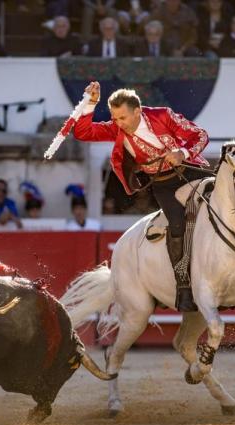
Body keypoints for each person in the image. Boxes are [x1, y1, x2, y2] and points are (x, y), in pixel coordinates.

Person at [73, 81, 209, 312]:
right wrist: (90, 104)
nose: (118, 124)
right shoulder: (116, 129)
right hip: (163, 183)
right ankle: (183, 285)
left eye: (122, 118)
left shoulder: (163, 116)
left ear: (138, 111)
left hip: (191, 169)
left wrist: (181, 152)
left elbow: (200, 135)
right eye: (114, 118)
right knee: (177, 223)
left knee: (231, 199)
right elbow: (83, 132)